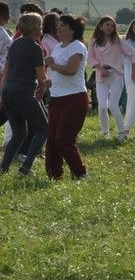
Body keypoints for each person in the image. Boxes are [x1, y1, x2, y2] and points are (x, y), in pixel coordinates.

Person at [0, 13, 49, 175]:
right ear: (35, 28)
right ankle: (26, 167)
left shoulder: (15, 43)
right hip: (24, 93)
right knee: (43, 129)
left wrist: (2, 92)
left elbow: (6, 70)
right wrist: (48, 83)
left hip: (8, 92)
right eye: (40, 25)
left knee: (19, 132)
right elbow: (41, 78)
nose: (41, 28)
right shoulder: (35, 48)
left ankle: (3, 168)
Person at [43, 14, 89, 180]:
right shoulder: (57, 47)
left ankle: (80, 173)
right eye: (58, 25)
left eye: (62, 25)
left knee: (63, 139)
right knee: (53, 140)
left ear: (72, 29)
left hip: (74, 99)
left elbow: (71, 71)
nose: (58, 27)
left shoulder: (78, 47)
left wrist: (52, 65)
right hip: (56, 98)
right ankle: (54, 175)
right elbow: (58, 74)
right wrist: (48, 82)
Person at [87, 16, 135, 142]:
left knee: (113, 105)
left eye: (112, 25)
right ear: (100, 26)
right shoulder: (93, 41)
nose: (109, 27)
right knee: (102, 106)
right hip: (101, 75)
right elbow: (90, 59)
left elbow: (132, 53)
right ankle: (105, 133)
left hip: (116, 75)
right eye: (107, 25)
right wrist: (100, 68)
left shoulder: (118, 41)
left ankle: (122, 133)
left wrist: (134, 70)